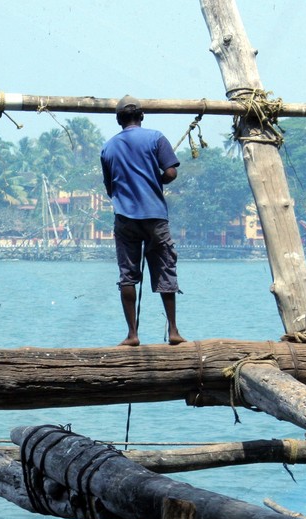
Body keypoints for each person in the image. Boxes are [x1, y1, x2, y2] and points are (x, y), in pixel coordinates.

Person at [100, 95, 187, 347]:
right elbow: (171, 172)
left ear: (119, 120)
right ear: (141, 116)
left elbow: (110, 187)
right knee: (165, 270)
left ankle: (132, 334)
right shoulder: (156, 137)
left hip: (125, 218)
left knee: (128, 275)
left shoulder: (108, 147)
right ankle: (173, 331)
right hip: (155, 217)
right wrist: (156, 180)